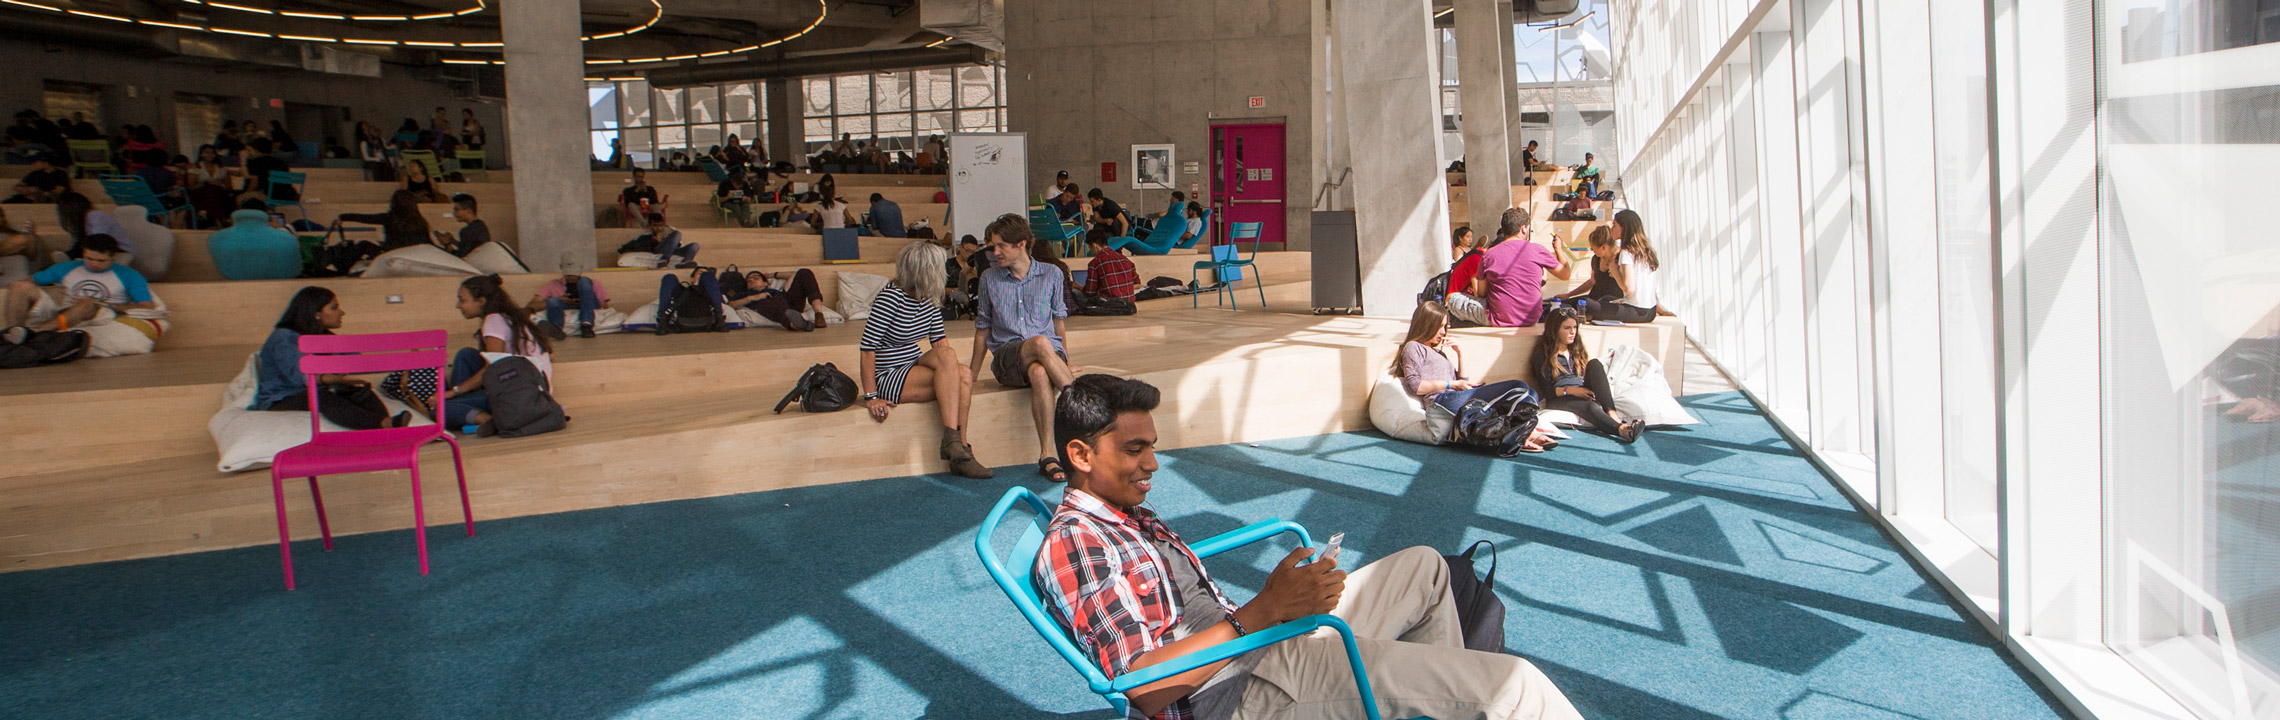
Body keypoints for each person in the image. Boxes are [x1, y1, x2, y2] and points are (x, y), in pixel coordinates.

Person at [1035, 373, 1587, 720]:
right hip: (1244, 693)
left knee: (1426, 568)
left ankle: (1441, 696)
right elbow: (1145, 686)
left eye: (1152, 446)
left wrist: (1277, 608)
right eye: (1135, 449)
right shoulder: (1080, 544)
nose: (1152, 463)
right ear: (1081, 456)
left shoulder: (1119, 513)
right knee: (1518, 690)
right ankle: (1456, 695)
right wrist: (1267, 610)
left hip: (1259, 645)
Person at [854, 242, 993, 477]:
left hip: (914, 365)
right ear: (925, 270)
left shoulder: (929, 298)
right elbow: (868, 349)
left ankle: (958, 446)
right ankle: (958, 447)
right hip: (889, 375)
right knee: (957, 372)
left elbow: (939, 342)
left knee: (963, 372)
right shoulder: (890, 298)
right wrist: (871, 397)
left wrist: (956, 375)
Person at [966, 214, 1077, 482]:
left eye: (1001, 245)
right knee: (1039, 343)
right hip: (1008, 358)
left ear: (1021, 244)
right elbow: (983, 330)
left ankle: (1047, 456)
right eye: (993, 246)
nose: (995, 252)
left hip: (1046, 355)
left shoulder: (1052, 274)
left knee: (1040, 372)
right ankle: (1080, 402)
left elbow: (1058, 325)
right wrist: (970, 376)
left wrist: (1062, 362)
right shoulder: (989, 278)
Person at [1395, 302, 1554, 452]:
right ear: (1427, 324)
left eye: (1445, 326)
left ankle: (1522, 433)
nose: (1443, 332)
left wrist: (1460, 354)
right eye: (1439, 326)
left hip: (1455, 396)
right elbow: (1415, 386)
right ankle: (1522, 435)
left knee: (1530, 393)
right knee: (1518, 386)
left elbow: (1462, 382)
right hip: (1441, 402)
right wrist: (1452, 384)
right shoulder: (1414, 347)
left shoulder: (1439, 353)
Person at [256, 287, 408, 430]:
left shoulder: (327, 338)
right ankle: (384, 424)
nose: (342, 313)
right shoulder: (284, 338)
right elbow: (300, 377)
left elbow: (357, 362)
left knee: (356, 390)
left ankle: (386, 424)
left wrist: (402, 362)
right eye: (334, 308)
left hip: (320, 390)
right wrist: (336, 379)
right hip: (284, 397)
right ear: (316, 313)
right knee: (323, 397)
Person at [436, 274, 555, 431]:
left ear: (481, 301)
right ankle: (466, 406)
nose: (458, 305)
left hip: (522, 395)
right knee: (467, 354)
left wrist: (454, 391)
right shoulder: (508, 317)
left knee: (440, 409)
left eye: (462, 300)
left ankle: (488, 418)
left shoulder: (493, 320)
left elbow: (494, 366)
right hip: (530, 388)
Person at [1528, 306, 1644, 443]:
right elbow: (1548, 392)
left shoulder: (1576, 349)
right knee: (1591, 407)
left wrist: (1584, 390)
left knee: (1594, 364)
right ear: (1555, 330)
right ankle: (1622, 429)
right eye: (1567, 328)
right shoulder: (1543, 355)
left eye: (1575, 327)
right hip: (1561, 396)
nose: (1572, 332)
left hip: (1581, 388)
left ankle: (1613, 415)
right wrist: (1574, 391)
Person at [3, 233, 152, 332]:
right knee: (19, 286)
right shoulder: (67, 268)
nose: (94, 264)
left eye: (101, 261)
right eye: (89, 259)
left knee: (88, 304)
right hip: (63, 310)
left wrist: (103, 304)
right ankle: (13, 332)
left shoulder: (129, 275)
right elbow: (32, 280)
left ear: (113, 257)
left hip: (99, 312)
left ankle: (35, 333)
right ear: (84, 254)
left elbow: (147, 306)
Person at [1477, 207, 1570, 327]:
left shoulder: (1489, 255)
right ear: (1523, 228)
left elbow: (1481, 293)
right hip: (1531, 318)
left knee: (1454, 299)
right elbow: (1565, 274)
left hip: (1498, 317)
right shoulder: (1537, 250)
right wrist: (1558, 249)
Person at [726, 267, 829, 331]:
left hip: (788, 300)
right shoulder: (745, 294)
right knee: (774, 302)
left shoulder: (773, 290)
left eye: (756, 278)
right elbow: (731, 305)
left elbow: (795, 274)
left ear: (766, 283)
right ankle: (794, 324)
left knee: (805, 272)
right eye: (748, 280)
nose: (751, 280)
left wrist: (772, 275)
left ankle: (819, 314)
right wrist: (752, 298)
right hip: (768, 305)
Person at [1549, 226, 1623, 315]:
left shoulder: (1621, 260)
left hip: (1611, 303)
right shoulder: (1596, 259)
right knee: (1558, 303)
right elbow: (1592, 281)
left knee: (1585, 304)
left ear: (1603, 247)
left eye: (1593, 247)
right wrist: (1568, 295)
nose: (1591, 250)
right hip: (1593, 299)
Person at [528, 268, 611, 340]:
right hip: (565, 306)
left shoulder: (593, 283)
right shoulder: (552, 284)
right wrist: (561, 299)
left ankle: (586, 324)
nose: (572, 277)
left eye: (574, 275)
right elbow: (532, 305)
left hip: (587, 304)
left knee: (585, 281)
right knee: (553, 301)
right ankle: (556, 328)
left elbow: (604, 306)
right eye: (569, 275)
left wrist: (586, 296)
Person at [336, 189, 432, 250]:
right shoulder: (421, 222)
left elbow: (364, 218)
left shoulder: (389, 218)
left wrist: (343, 217)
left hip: (391, 254)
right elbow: (428, 242)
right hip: (413, 254)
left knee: (363, 245)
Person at [56, 191, 133, 259]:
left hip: (119, 251)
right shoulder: (80, 222)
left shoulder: (95, 216)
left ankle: (69, 257)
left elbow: (98, 241)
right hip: (100, 251)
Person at [1443, 227, 1491, 328]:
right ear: (1460, 238)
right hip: (1456, 297)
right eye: (1467, 237)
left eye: (1471, 237)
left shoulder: (1473, 253)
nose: (1470, 239)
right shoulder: (1471, 256)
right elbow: (1478, 291)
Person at [623, 212, 697, 269]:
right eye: (655, 225)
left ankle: (685, 263)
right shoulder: (646, 236)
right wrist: (651, 241)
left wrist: (669, 238)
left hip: (672, 250)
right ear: (650, 226)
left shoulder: (669, 231)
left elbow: (678, 244)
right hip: (659, 249)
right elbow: (625, 247)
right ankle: (663, 260)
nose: (658, 228)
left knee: (694, 245)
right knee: (677, 233)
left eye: (660, 225)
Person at [1081, 230, 1138, 303]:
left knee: (1077, 294)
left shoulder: (1095, 263)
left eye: (1090, 248)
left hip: (1109, 305)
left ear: (1094, 245)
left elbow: (1090, 292)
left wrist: (1079, 287)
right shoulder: (1125, 259)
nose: (1092, 251)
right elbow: (1137, 283)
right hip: (1129, 304)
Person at [433, 193, 491, 258]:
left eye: (456, 210)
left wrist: (446, 244)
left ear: (468, 211)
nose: (454, 213)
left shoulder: (467, 231)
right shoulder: (481, 225)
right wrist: (453, 241)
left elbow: (460, 258)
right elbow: (471, 248)